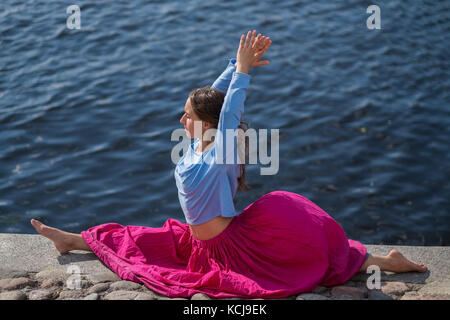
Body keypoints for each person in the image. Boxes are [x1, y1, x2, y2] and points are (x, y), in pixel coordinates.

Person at [30, 30, 427, 299]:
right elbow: (216, 97)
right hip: (196, 238)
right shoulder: (196, 146)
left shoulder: (219, 149)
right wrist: (236, 64)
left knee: (302, 269)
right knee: (131, 239)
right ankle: (73, 239)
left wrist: (243, 74)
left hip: (227, 249)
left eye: (186, 115)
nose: (180, 120)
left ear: (206, 123)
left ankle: (381, 262)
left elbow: (229, 109)